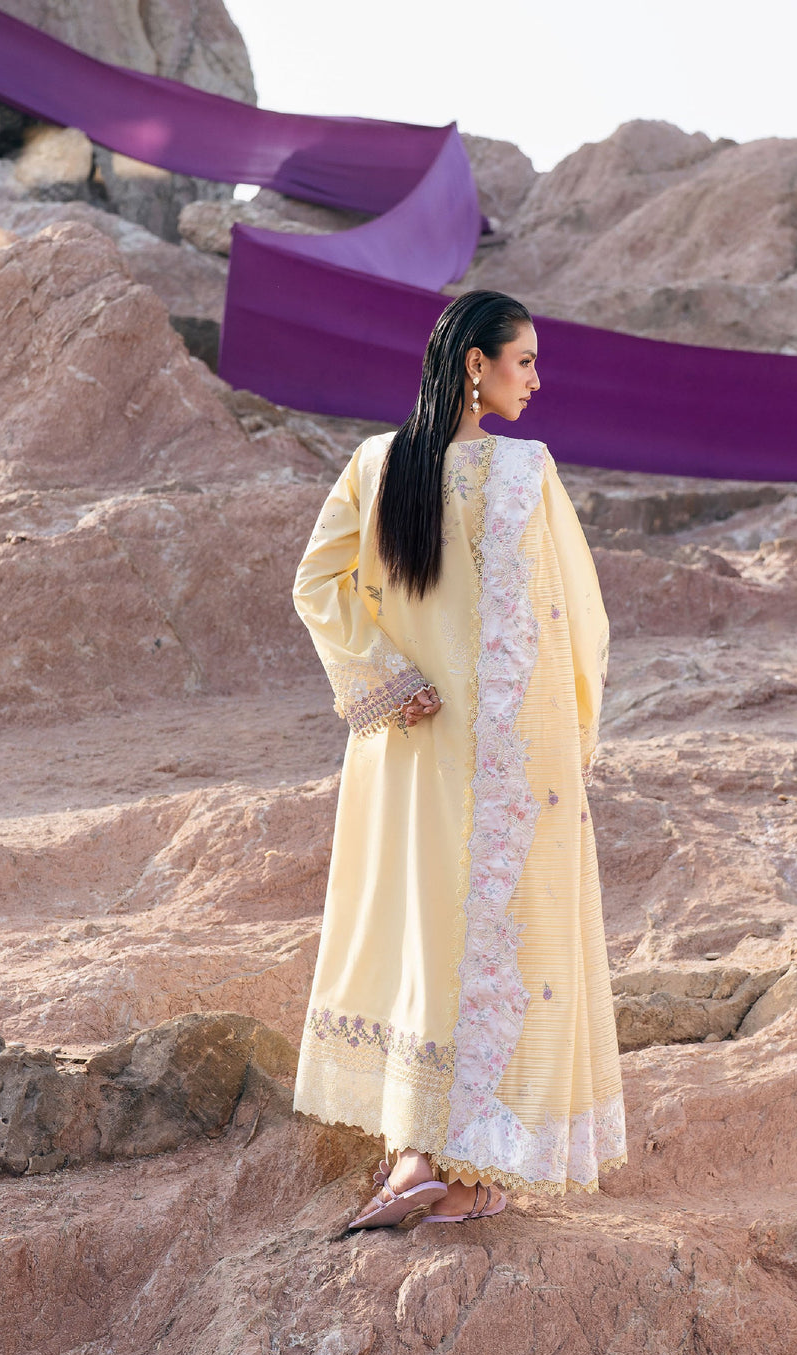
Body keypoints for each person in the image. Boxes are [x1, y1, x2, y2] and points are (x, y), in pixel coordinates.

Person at [292, 289, 626, 1228]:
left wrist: (388, 678)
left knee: (420, 932)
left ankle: (413, 1157)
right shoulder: (523, 471)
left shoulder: (377, 462)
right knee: (503, 943)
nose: (536, 379)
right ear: (477, 365)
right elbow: (573, 622)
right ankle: (470, 1173)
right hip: (506, 753)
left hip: (406, 745)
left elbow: (316, 584)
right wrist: (570, 742)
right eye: (525, 360)